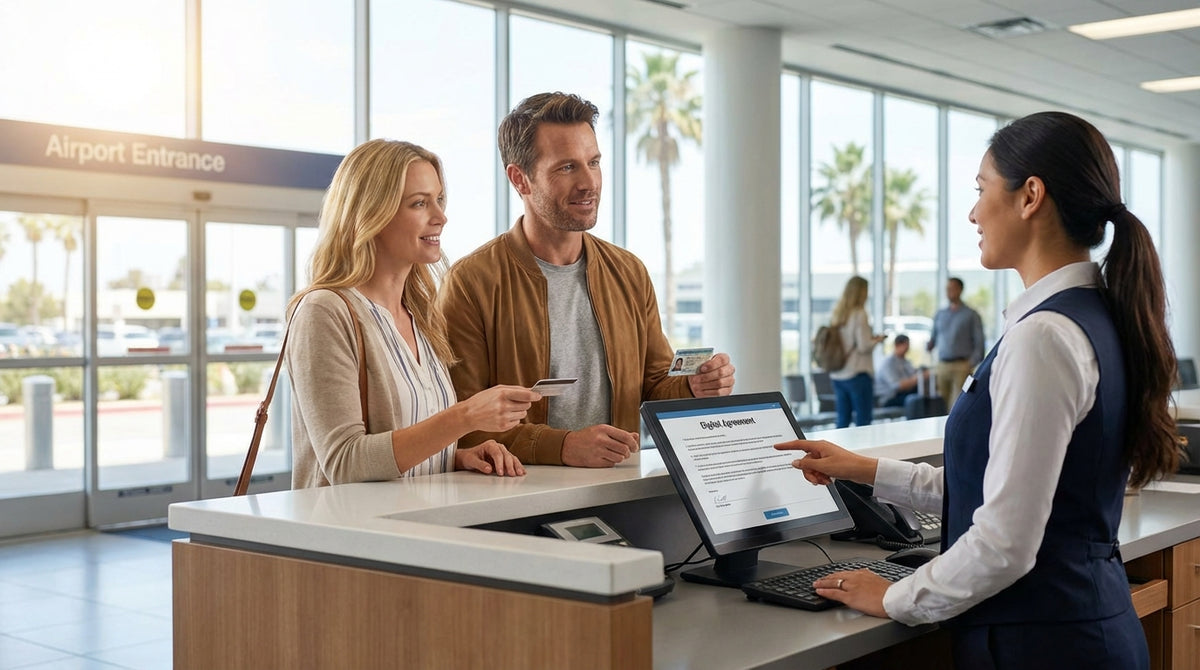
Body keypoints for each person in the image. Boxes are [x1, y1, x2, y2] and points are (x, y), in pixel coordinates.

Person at [778, 111, 1179, 669]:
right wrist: (865, 470)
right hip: (1077, 631)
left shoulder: (1044, 337)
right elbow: (1000, 487)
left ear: (1030, 195)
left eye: (980, 189)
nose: (972, 212)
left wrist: (892, 596)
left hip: (1042, 645)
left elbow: (1005, 541)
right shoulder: (1093, 317)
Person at [437, 92, 736, 468]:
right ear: (520, 179)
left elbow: (655, 382)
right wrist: (561, 447)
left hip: (619, 489)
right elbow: (461, 420)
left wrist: (693, 387)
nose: (588, 182)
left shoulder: (629, 272)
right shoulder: (471, 282)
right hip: (515, 495)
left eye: (593, 162)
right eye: (566, 168)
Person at [286, 139, 542, 489]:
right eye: (419, 203)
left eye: (438, 200)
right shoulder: (324, 312)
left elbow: (403, 447)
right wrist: (465, 417)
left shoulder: (420, 315)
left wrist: (456, 456)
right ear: (371, 214)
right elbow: (344, 463)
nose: (440, 217)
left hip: (416, 529)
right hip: (354, 539)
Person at [828, 276, 886, 428]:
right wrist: (877, 340)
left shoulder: (838, 313)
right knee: (863, 421)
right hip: (857, 373)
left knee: (842, 420)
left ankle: (836, 451)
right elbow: (863, 346)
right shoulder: (860, 313)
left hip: (838, 373)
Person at [926, 277, 984, 407]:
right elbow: (933, 338)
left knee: (959, 405)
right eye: (947, 289)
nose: (949, 292)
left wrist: (971, 363)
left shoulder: (971, 314)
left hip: (962, 365)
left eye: (952, 288)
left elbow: (979, 342)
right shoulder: (940, 314)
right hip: (942, 365)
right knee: (941, 404)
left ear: (960, 290)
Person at [874, 334, 928, 407]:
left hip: (904, 394)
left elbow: (912, 374)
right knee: (916, 400)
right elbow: (897, 386)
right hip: (890, 397)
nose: (908, 349)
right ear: (897, 345)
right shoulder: (888, 363)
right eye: (905, 345)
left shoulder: (906, 361)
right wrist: (918, 378)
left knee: (924, 396)